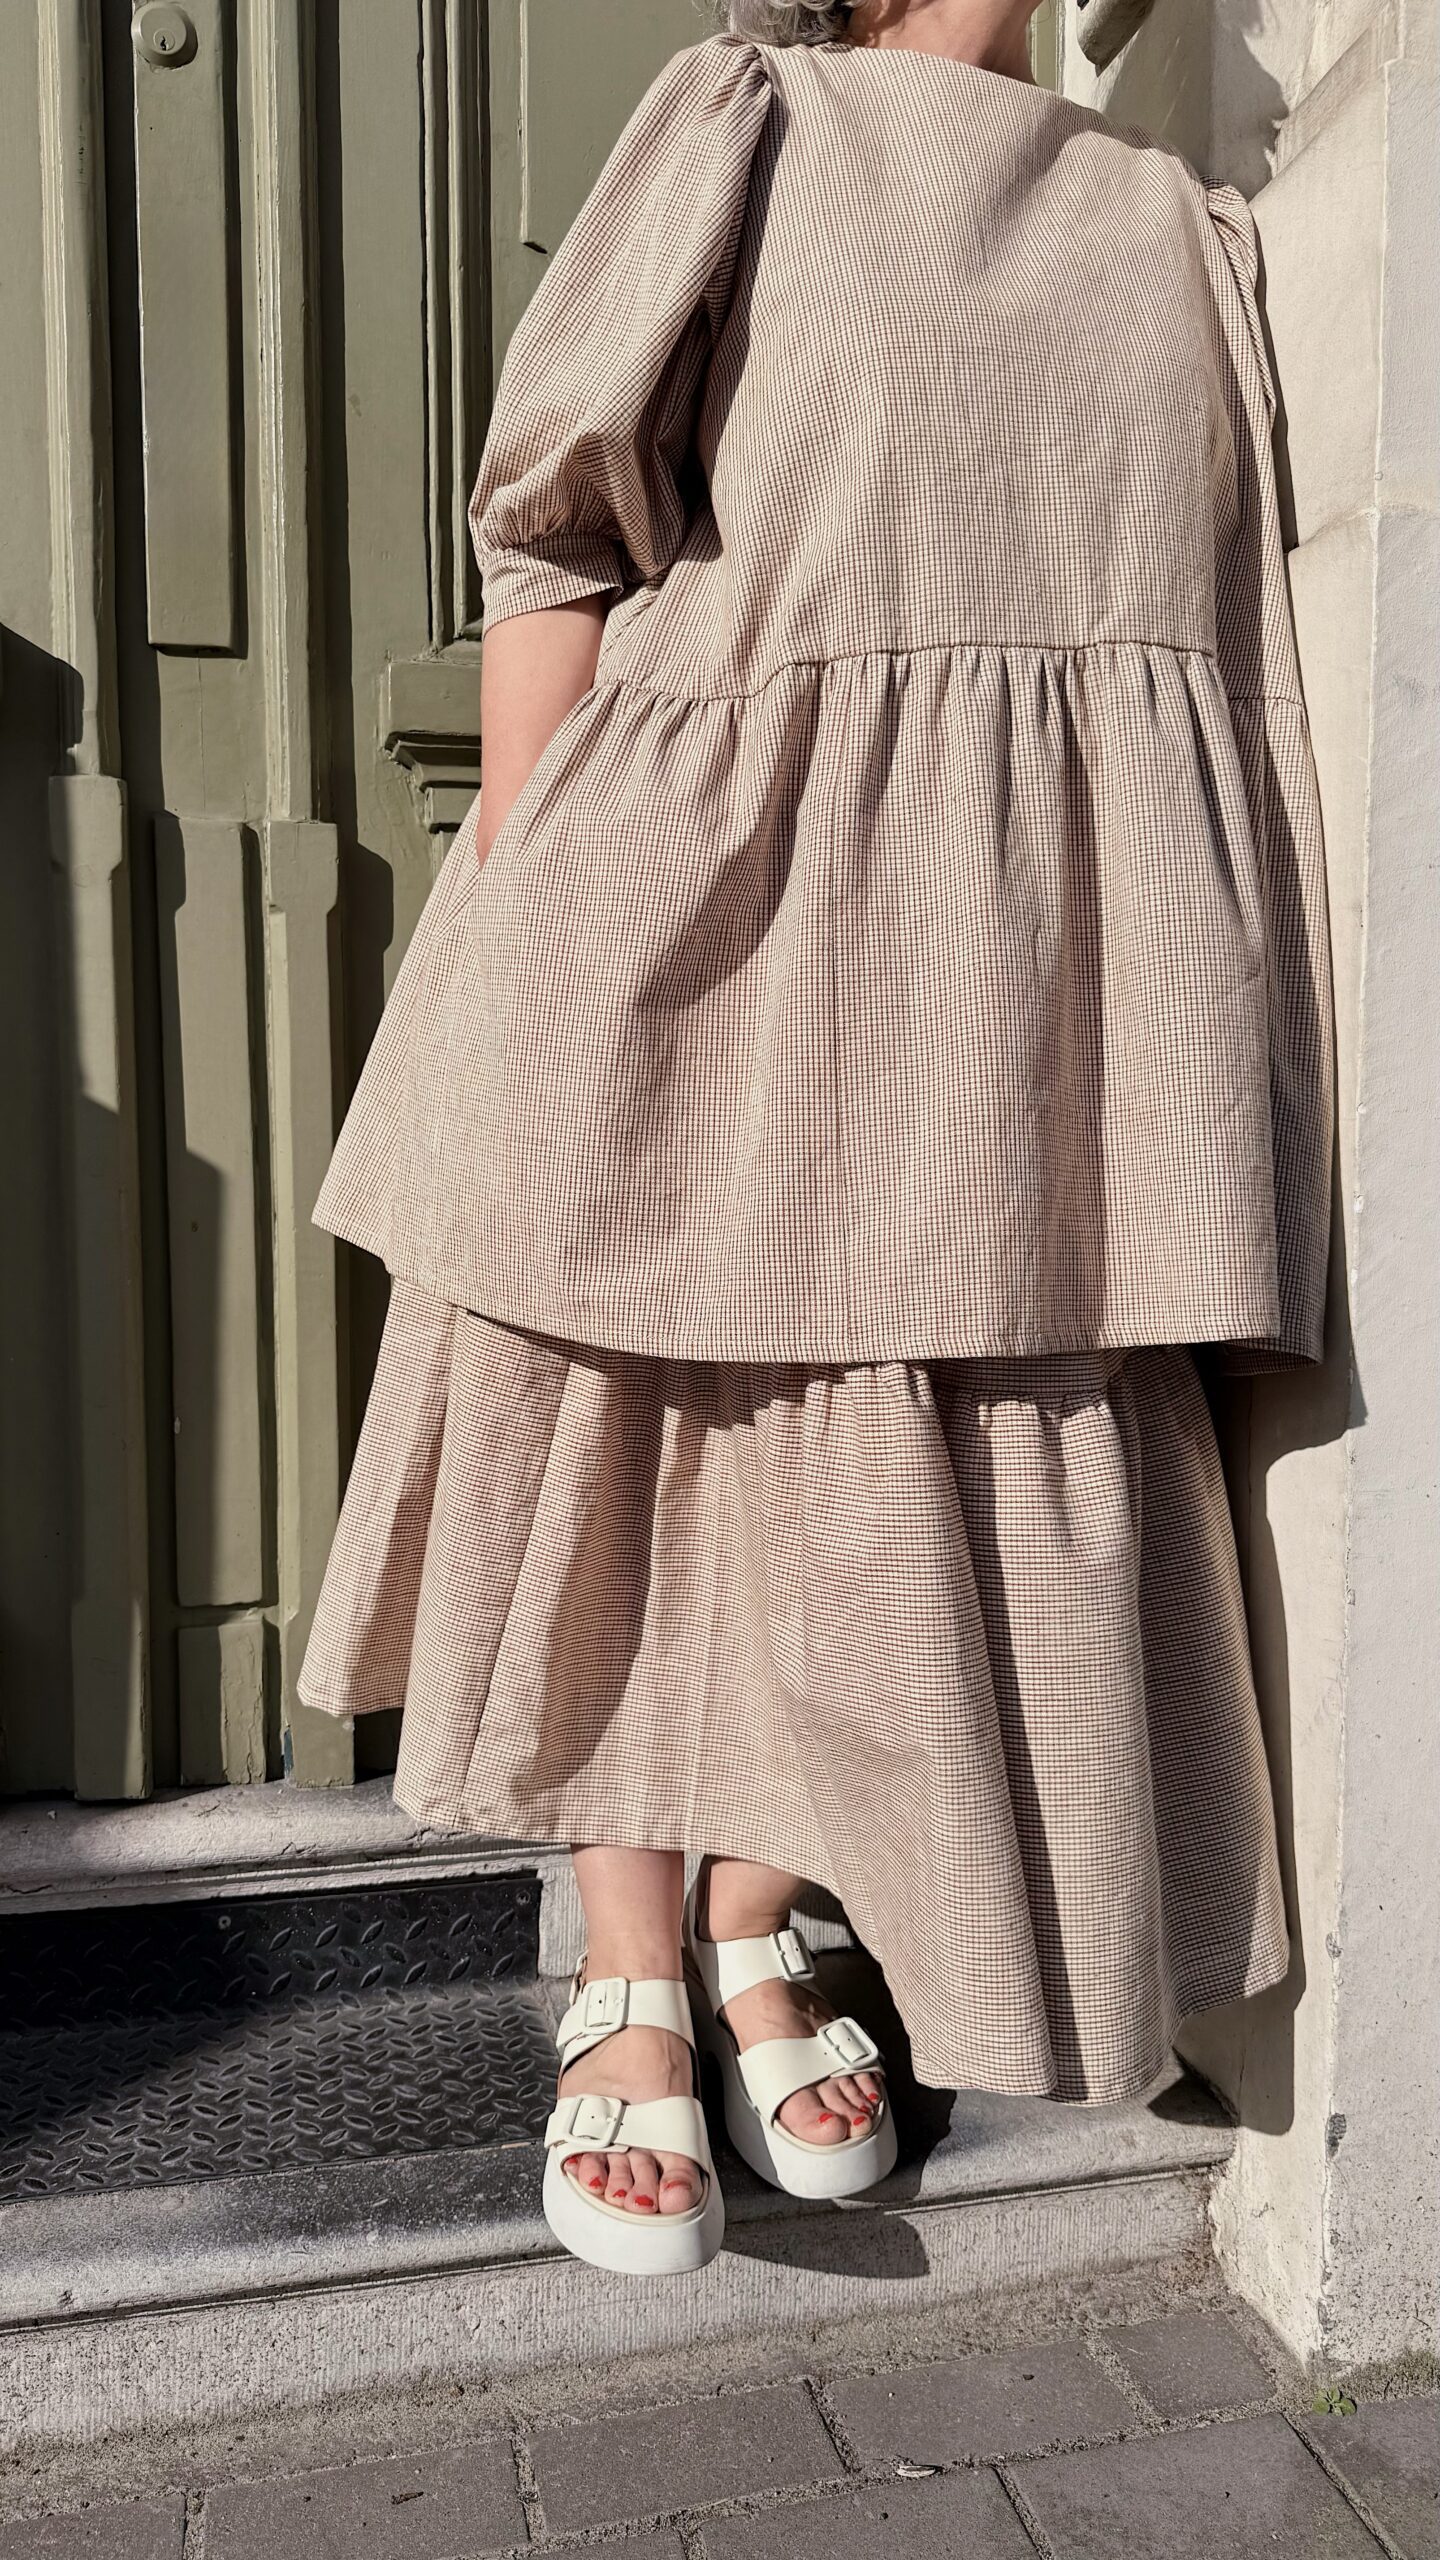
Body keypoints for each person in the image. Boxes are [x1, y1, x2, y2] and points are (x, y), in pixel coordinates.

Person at [298, 0, 1334, 2277]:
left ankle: (761, 1903)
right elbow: (560, 528)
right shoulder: (752, 116)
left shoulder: (1181, 219)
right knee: (643, 1423)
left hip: (1010, 971)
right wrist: (528, 904)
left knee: (899, 1433)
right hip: (697, 894)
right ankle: (631, 1966)